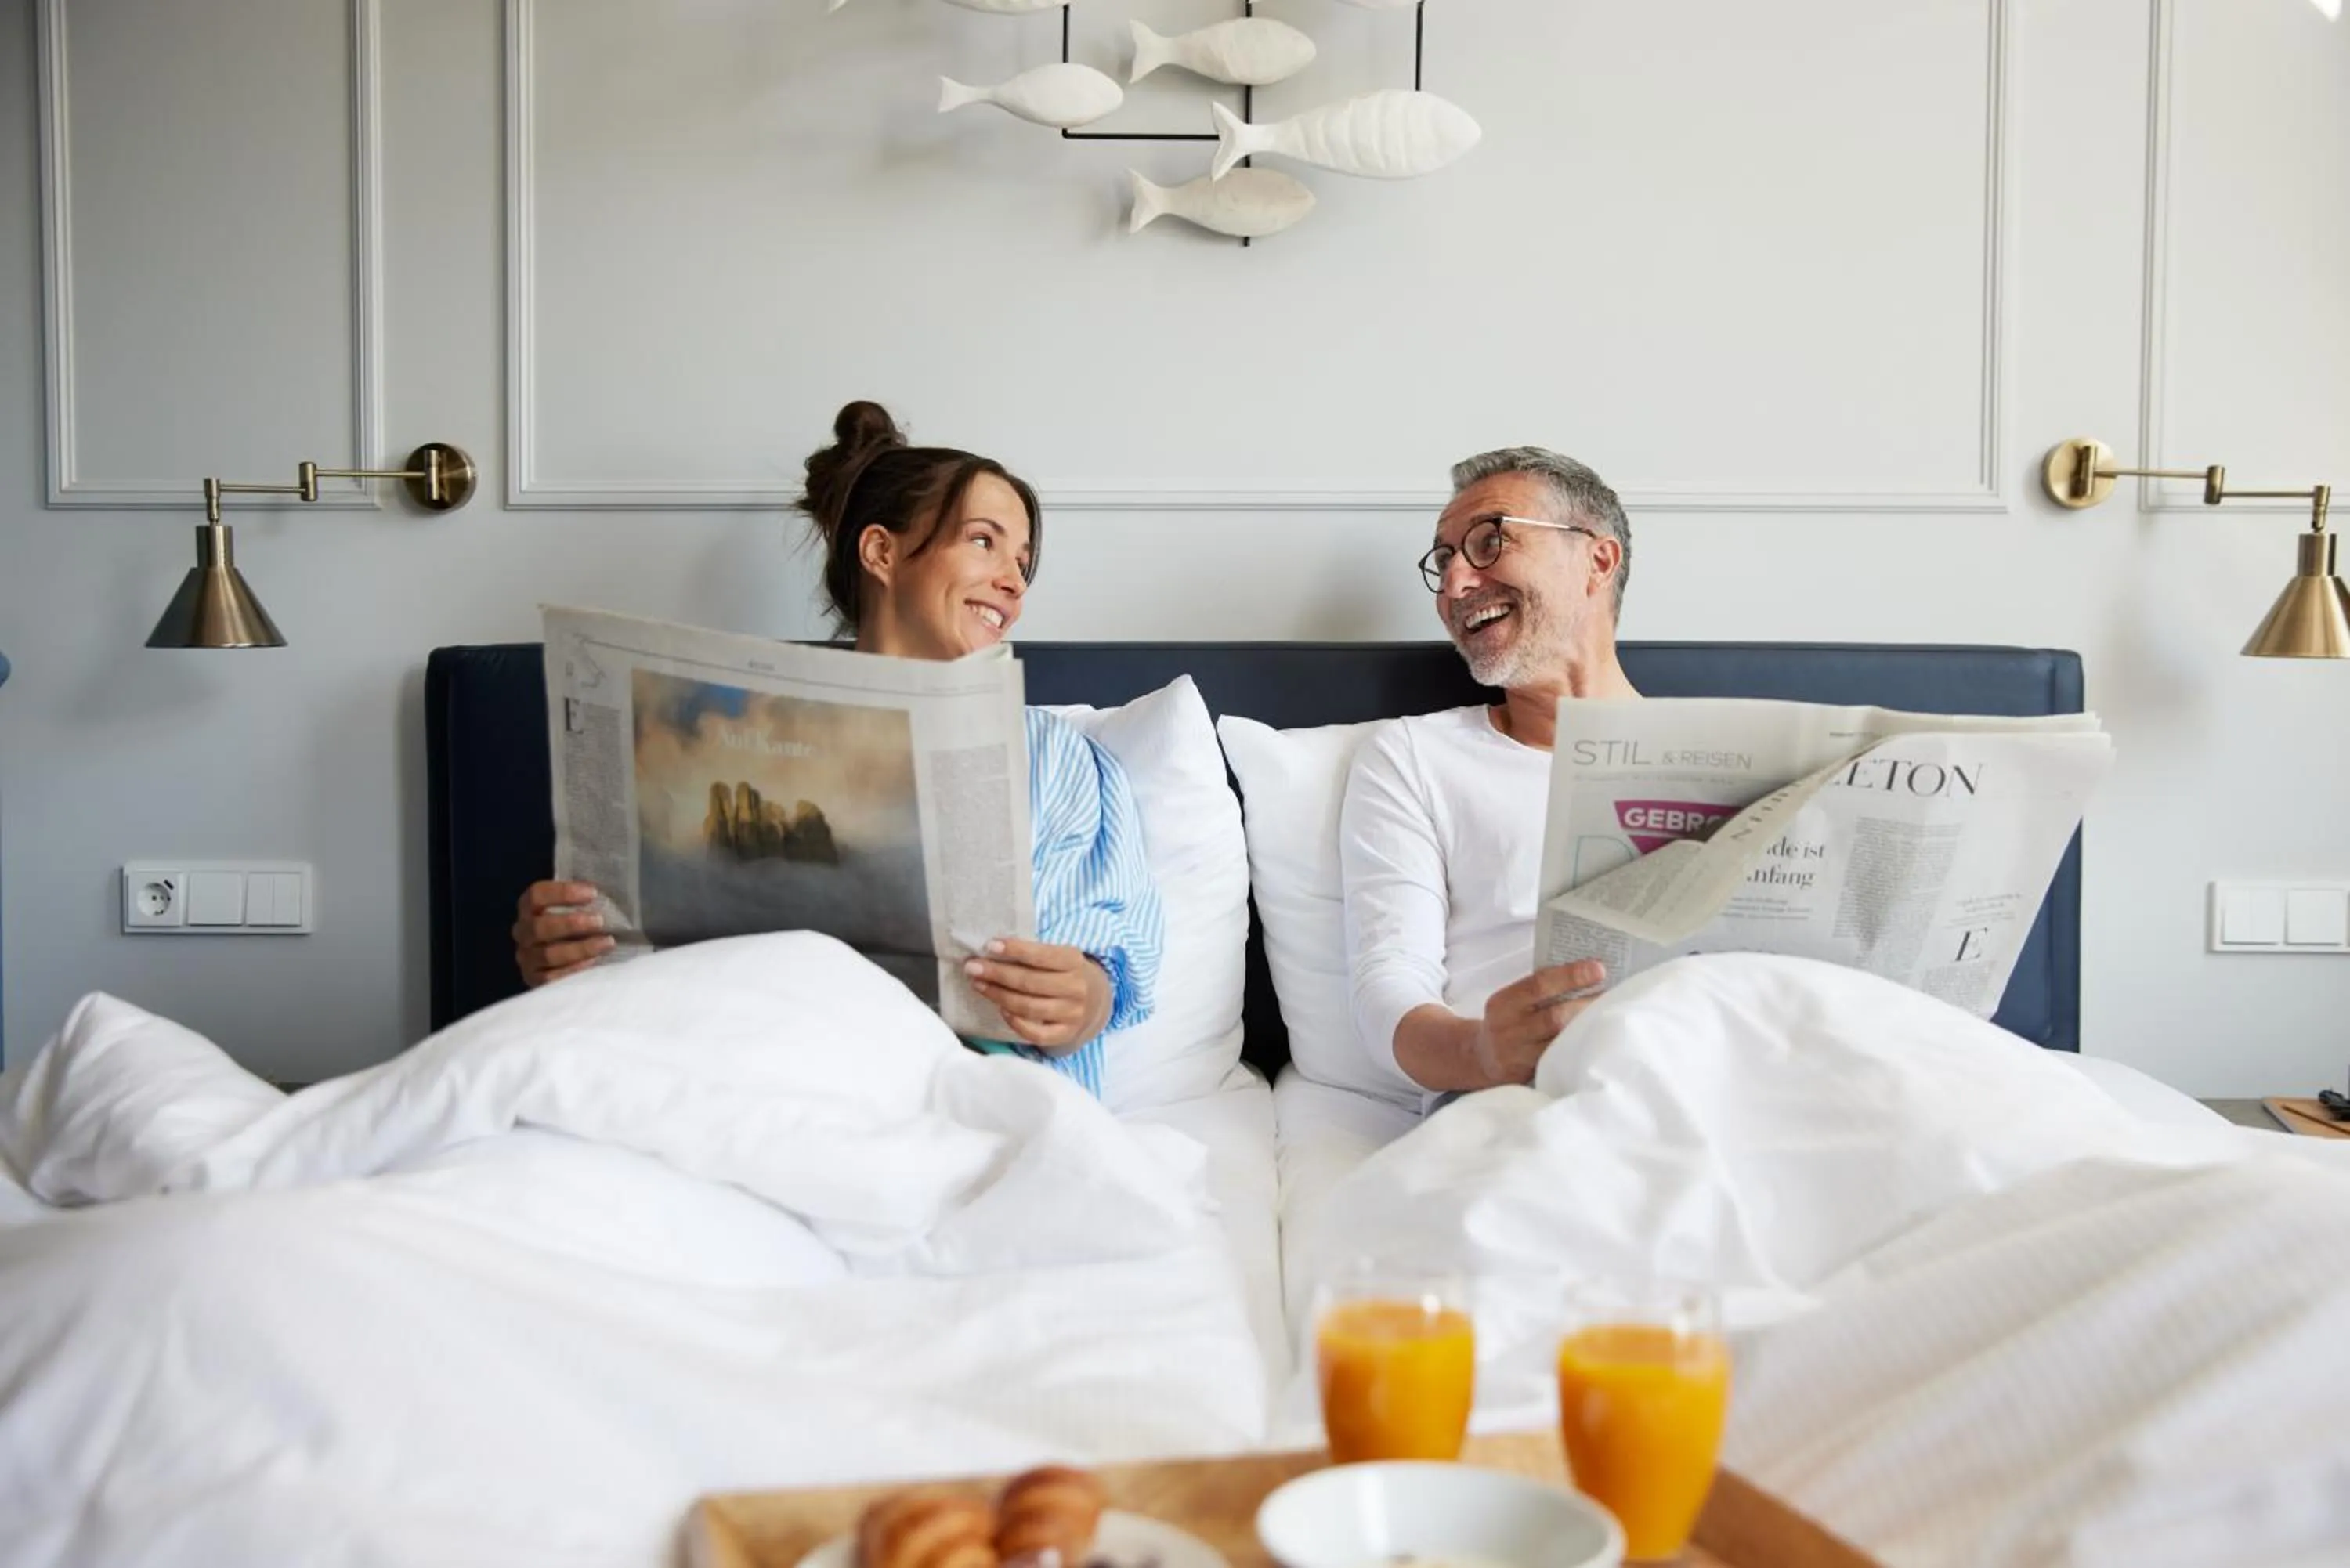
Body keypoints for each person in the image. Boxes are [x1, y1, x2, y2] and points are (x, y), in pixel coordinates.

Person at [512, 401, 1163, 1098]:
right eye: (983, 541)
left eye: (1024, 561)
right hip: (727, 1074)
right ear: (881, 551)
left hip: (963, 1088)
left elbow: (1101, 957)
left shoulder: (1055, 756)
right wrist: (563, 947)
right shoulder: (719, 724)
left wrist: (1081, 999)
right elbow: (628, 956)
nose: (1014, 580)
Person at [1340, 446, 1640, 1106]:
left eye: (1489, 542)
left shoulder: (1733, 751)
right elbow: (1388, 981)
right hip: (1522, 1100)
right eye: (1444, 561)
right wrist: (1481, 1051)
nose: (1454, 586)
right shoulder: (1415, 757)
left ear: (1597, 558)